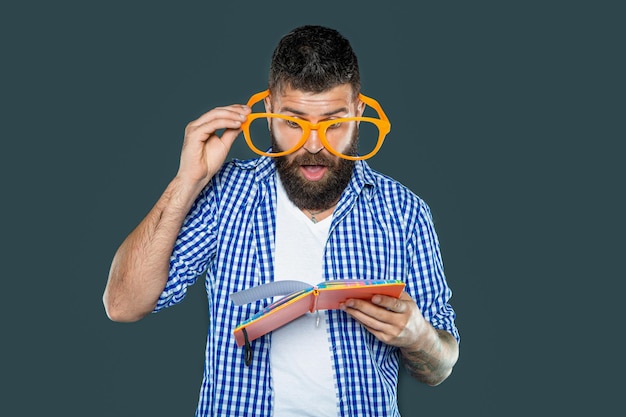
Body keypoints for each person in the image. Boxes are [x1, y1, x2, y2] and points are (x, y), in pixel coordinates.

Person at [103, 25, 459, 417]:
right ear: (269, 112)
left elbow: (440, 366)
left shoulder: (404, 213)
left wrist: (419, 336)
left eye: (333, 124)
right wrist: (186, 183)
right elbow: (122, 304)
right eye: (293, 122)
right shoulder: (227, 196)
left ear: (359, 114)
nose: (312, 145)